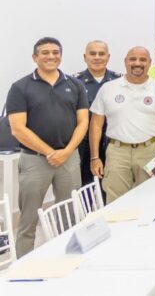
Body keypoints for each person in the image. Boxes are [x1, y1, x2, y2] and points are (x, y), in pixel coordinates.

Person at [7, 37, 88, 257]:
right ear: (35, 57)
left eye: (55, 52)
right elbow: (18, 129)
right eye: (45, 52)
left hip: (69, 159)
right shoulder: (20, 87)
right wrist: (50, 153)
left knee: (70, 215)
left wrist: (67, 151)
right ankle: (22, 267)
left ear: (60, 56)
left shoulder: (75, 85)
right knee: (28, 219)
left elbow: (83, 123)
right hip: (34, 160)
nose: (51, 56)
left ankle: (68, 260)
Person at [89, 47, 155, 202]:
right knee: (115, 201)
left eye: (143, 60)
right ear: (125, 62)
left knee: (150, 200)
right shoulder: (108, 88)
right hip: (117, 153)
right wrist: (94, 157)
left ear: (150, 62)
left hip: (150, 152)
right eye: (133, 59)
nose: (137, 63)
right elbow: (96, 124)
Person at [73, 40, 121, 186]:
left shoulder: (119, 81)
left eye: (101, 54)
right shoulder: (74, 82)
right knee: (84, 188)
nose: (97, 57)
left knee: (111, 186)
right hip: (83, 144)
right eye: (92, 53)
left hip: (112, 143)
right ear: (84, 57)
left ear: (108, 57)